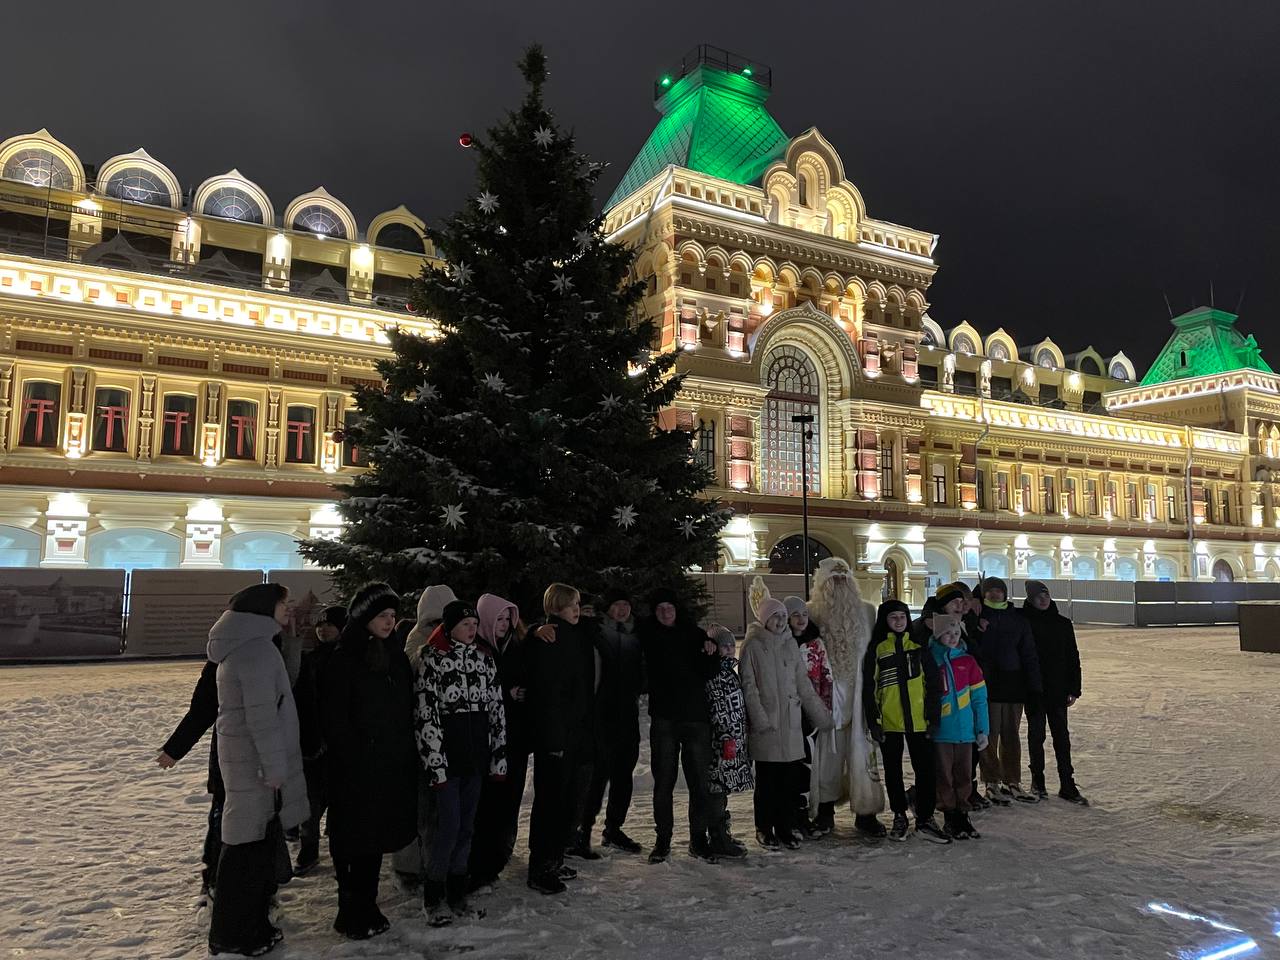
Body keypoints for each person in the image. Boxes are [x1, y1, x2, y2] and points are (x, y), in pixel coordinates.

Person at [206, 583, 309, 957]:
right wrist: (275, 768)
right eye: (284, 603)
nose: (289, 608)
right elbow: (262, 719)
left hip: (245, 765)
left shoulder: (248, 646)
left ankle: (246, 925)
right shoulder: (256, 652)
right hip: (255, 768)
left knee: (249, 846)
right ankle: (235, 932)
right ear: (265, 608)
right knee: (245, 852)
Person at [320, 583, 418, 940]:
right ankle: (351, 908)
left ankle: (368, 903)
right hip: (356, 768)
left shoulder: (395, 655)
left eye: (393, 615)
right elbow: (335, 717)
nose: (389, 622)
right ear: (365, 618)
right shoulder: (345, 658)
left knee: (375, 840)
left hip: (389, 765)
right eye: (382, 615)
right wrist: (354, 754)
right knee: (353, 840)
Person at [414, 601, 507, 926]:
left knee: (467, 827)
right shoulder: (433, 660)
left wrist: (497, 757)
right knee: (447, 828)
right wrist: (435, 764)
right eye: (466, 624)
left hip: (476, 761)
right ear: (451, 626)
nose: (471, 629)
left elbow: (497, 711)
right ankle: (434, 894)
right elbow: (427, 715)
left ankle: (457, 891)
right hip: (447, 762)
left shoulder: (484, 659)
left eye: (473, 624)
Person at [741, 597, 834, 851]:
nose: (781, 622)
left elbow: (803, 685)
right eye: (776, 617)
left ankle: (784, 827)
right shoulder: (753, 646)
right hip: (768, 727)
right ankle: (764, 827)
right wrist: (760, 719)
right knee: (767, 783)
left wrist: (820, 715)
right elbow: (749, 688)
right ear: (764, 619)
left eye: (783, 617)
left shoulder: (790, 644)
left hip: (791, 726)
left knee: (788, 783)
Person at [638, 587, 721, 864]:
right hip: (665, 719)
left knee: (699, 782)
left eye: (669, 608)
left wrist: (711, 651)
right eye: (660, 608)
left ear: (677, 610)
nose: (665, 612)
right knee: (664, 783)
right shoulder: (647, 636)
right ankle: (663, 840)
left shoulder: (694, 635)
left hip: (695, 719)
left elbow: (709, 671)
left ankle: (699, 839)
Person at [803, 557, 884, 837]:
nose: (839, 585)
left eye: (843, 579)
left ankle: (866, 813)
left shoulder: (867, 612)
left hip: (860, 697)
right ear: (821, 584)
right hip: (827, 698)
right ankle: (824, 812)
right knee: (828, 757)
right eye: (832, 580)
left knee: (863, 755)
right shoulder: (810, 613)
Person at [863, 599, 948, 844]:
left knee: (926, 770)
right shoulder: (878, 649)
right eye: (893, 618)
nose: (899, 622)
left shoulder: (918, 648)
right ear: (885, 621)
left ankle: (925, 817)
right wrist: (874, 720)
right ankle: (899, 814)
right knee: (893, 771)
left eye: (902, 617)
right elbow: (871, 687)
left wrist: (933, 718)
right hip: (890, 722)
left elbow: (933, 686)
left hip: (920, 722)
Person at [393, 583, 459, 885]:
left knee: (436, 807)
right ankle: (411, 864)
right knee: (420, 806)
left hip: (444, 735)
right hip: (423, 736)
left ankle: (432, 861)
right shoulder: (417, 642)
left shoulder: (452, 640)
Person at [525, 583, 589, 894]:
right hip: (556, 737)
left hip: (572, 733)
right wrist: (554, 739)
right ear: (555, 607)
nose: (576, 609)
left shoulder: (572, 634)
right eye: (570, 604)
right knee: (550, 802)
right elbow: (547, 693)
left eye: (577, 603)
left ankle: (554, 857)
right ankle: (540, 866)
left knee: (564, 802)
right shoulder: (550, 638)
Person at [468, 593, 530, 889]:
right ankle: (480, 862)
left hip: (514, 737)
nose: (504, 625)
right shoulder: (476, 649)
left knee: (509, 799)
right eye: (500, 619)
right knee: (486, 804)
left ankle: (501, 852)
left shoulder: (516, 647)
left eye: (508, 619)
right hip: (485, 740)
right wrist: (509, 694)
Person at [581, 587, 644, 854]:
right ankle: (583, 830)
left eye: (625, 605)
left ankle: (613, 828)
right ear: (607, 608)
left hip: (627, 714)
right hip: (601, 714)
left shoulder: (636, 635)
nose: (622, 609)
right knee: (598, 776)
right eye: (616, 604)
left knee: (623, 775)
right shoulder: (594, 631)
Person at [156, 659, 222, 901]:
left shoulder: (279, 646)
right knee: (224, 814)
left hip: (269, 752)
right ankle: (215, 876)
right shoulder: (225, 651)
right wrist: (175, 749)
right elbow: (203, 708)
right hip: (234, 755)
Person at [974, 576, 1042, 806]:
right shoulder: (978, 618)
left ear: (1005, 594)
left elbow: (1029, 653)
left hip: (1014, 683)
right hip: (989, 685)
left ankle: (1012, 780)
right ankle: (991, 781)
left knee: (1011, 734)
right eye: (990, 591)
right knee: (990, 734)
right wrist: (979, 628)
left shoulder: (1018, 619)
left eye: (998, 591)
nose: (995, 594)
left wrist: (1034, 684)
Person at [1020, 581, 1087, 805]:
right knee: (1036, 736)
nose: (1043, 599)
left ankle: (1067, 783)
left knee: (1062, 738)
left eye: (1045, 595)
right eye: (1038, 596)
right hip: (1034, 690)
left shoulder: (1062, 623)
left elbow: (1072, 657)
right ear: (1030, 599)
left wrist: (1074, 688)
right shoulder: (1024, 622)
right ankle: (1037, 781)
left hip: (1058, 690)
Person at [292, 604, 347, 875]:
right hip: (312, 742)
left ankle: (338, 850)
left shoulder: (348, 659)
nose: (324, 629)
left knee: (337, 800)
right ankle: (309, 848)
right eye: (321, 625)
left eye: (330, 624)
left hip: (337, 743)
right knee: (310, 802)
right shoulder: (310, 659)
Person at [927, 613, 988, 840]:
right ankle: (949, 814)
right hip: (942, 732)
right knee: (944, 774)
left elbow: (980, 698)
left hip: (966, 731)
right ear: (938, 635)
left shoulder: (968, 662)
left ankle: (962, 813)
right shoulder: (931, 660)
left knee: (964, 774)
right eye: (947, 633)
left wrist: (983, 729)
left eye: (956, 633)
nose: (952, 638)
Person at [784, 595, 835, 837]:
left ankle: (804, 814)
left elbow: (826, 678)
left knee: (807, 765)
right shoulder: (780, 642)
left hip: (810, 714)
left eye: (804, 614)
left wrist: (824, 711)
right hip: (785, 713)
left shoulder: (816, 644)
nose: (801, 619)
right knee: (788, 767)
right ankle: (789, 815)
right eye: (795, 615)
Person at [703, 625, 750, 859]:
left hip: (734, 739)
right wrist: (724, 736)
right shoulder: (714, 673)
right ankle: (718, 836)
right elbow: (717, 707)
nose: (730, 649)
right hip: (721, 743)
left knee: (722, 790)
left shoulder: (729, 671)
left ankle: (721, 833)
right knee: (716, 790)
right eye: (724, 645)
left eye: (732, 645)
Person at [564, 594, 603, 861]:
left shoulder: (600, 639)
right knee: (569, 786)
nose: (583, 614)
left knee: (589, 784)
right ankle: (565, 839)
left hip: (596, 722)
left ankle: (580, 835)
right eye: (580, 609)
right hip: (572, 725)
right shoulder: (565, 638)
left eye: (587, 609)